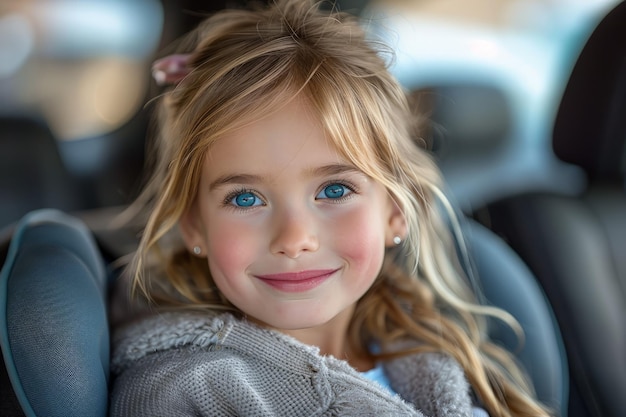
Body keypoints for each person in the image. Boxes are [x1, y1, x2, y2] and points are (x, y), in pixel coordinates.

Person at [109, 0, 551, 415]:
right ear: (194, 227)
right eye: (245, 198)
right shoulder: (181, 391)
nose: (295, 238)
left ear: (396, 210)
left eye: (335, 190)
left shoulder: (442, 362)